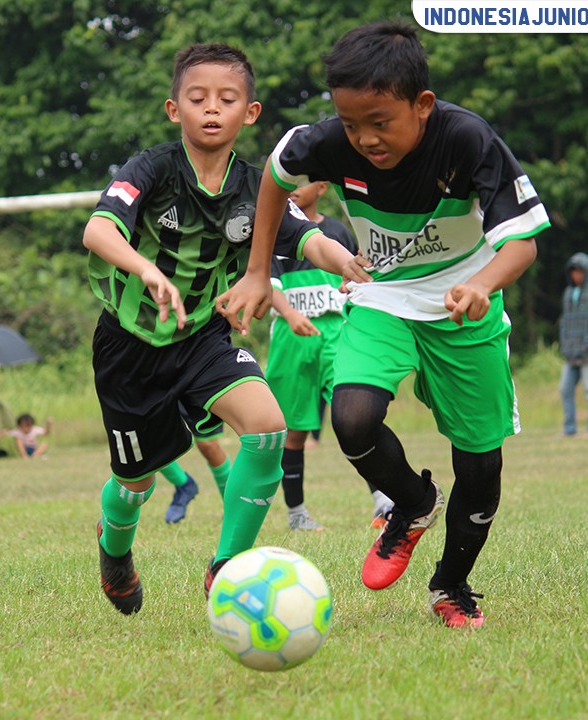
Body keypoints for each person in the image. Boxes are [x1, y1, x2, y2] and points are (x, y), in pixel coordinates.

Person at [240, 22, 550, 628]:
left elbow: (525, 242)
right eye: (351, 124)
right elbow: (274, 177)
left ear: (422, 105)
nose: (365, 139)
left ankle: (451, 585)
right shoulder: (329, 143)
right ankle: (412, 504)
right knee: (352, 418)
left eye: (380, 122)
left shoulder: (467, 139)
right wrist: (257, 271)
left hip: (463, 305)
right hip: (383, 295)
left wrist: (482, 285)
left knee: (481, 468)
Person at [82, 43, 350, 615]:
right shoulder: (150, 169)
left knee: (267, 425)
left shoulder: (258, 187)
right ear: (173, 109)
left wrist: (347, 260)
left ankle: (226, 568)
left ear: (248, 114)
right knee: (135, 484)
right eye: (197, 97)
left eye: (227, 99)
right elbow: (99, 231)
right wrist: (148, 271)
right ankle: (114, 547)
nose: (211, 108)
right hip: (129, 348)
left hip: (204, 339)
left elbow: (308, 238)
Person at [266, 180, 393, 531]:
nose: (291, 187)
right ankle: (297, 514)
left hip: (336, 335)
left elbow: (358, 276)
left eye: (300, 181)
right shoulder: (274, 231)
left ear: (321, 186)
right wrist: (291, 315)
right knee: (294, 433)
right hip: (292, 340)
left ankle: (384, 502)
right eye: (286, 180)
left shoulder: (336, 231)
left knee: (353, 416)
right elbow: (266, 284)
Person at [559, 252, 588, 438]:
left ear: (587, 272)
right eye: (573, 272)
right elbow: (564, 322)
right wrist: (565, 345)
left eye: (580, 271)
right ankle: (569, 429)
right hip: (570, 354)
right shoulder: (568, 293)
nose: (576, 275)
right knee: (565, 389)